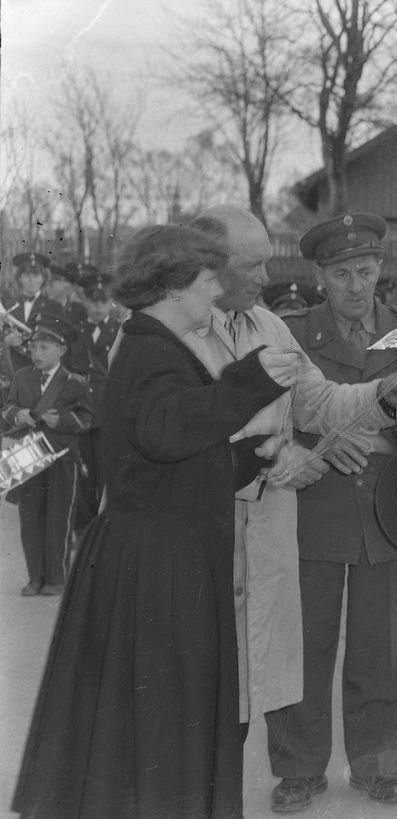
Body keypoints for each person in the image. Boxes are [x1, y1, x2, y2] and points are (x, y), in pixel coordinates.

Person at [11, 224, 302, 819]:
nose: (216, 290)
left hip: (154, 558)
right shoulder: (151, 351)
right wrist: (253, 379)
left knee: (150, 732)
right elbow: (168, 431)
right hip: (159, 570)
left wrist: (253, 454)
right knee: (165, 729)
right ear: (173, 288)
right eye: (206, 280)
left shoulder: (155, 348)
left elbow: (170, 456)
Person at [183, 205, 397, 748]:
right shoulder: (176, 337)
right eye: (254, 265)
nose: (266, 278)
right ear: (209, 265)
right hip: (203, 543)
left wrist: (384, 395)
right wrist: (276, 457)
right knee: (199, 698)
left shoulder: (268, 326)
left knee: (254, 682)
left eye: (366, 269)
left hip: (266, 543)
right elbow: (178, 443)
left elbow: (320, 402)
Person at [264, 213, 397, 811]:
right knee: (304, 641)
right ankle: (299, 768)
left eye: (366, 270)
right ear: (319, 277)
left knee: (387, 646)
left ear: (381, 270)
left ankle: (380, 765)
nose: (357, 284)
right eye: (342, 273)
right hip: (313, 500)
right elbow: (275, 410)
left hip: (392, 505)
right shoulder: (292, 332)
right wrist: (296, 449)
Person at [1, 313, 93, 596]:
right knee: (30, 518)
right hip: (29, 458)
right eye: (33, 348)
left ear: (62, 350)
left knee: (58, 519)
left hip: (63, 457)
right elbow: (7, 408)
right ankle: (34, 577)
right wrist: (19, 415)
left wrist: (61, 422)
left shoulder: (73, 380)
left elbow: (89, 417)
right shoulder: (21, 376)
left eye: (44, 348)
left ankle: (56, 577)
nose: (36, 353)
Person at [69, 269, 121, 528]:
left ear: (111, 302)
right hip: (80, 411)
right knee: (82, 471)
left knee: (107, 471)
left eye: (104, 301)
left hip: (109, 412)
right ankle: (83, 527)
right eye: (93, 301)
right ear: (86, 302)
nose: (99, 306)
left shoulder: (121, 331)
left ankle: (103, 528)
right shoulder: (74, 332)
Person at [4, 252, 65, 374]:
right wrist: (6, 342)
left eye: (36, 275)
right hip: (12, 370)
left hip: (41, 371)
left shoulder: (54, 307)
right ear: (19, 278)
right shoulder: (8, 306)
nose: (31, 280)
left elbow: (60, 342)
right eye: (26, 275)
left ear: (43, 278)